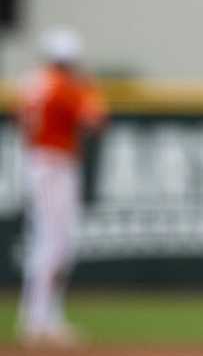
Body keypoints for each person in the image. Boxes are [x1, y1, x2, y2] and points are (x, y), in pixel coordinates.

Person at [15, 28, 107, 348]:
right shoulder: (65, 85)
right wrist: (89, 89)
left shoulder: (33, 82)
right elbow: (95, 118)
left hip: (36, 161)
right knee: (57, 244)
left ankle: (38, 319)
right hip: (56, 165)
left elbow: (22, 120)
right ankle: (41, 320)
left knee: (47, 242)